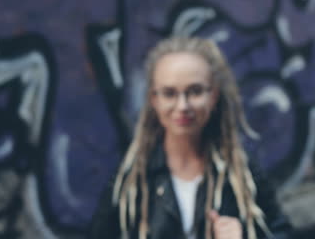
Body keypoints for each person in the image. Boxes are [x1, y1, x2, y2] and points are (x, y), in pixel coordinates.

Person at [89, 37, 293, 239]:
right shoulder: (133, 177)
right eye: (169, 93)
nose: (183, 106)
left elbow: (282, 232)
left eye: (195, 91)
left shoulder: (241, 172)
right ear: (154, 99)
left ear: (213, 96)